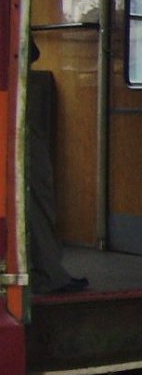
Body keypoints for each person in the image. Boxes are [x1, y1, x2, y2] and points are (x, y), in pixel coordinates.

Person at [26, 40, 87, 294]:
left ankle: (45, 272)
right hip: (20, 128)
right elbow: (29, 51)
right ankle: (47, 274)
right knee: (37, 200)